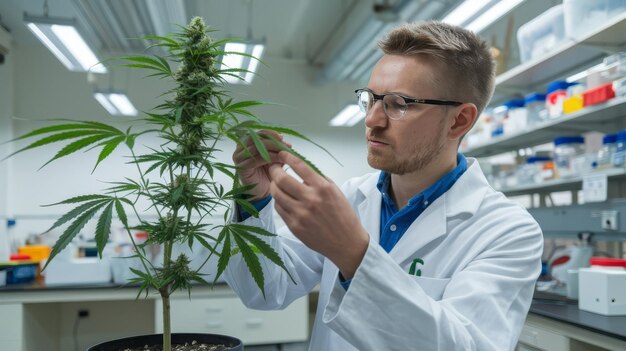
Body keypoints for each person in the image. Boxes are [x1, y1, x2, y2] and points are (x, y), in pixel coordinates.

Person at [224, 21, 543, 351]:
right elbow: (264, 291)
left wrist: (352, 252)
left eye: (398, 103)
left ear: (459, 120)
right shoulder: (351, 198)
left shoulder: (507, 231)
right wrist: (253, 199)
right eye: (372, 99)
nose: (372, 120)